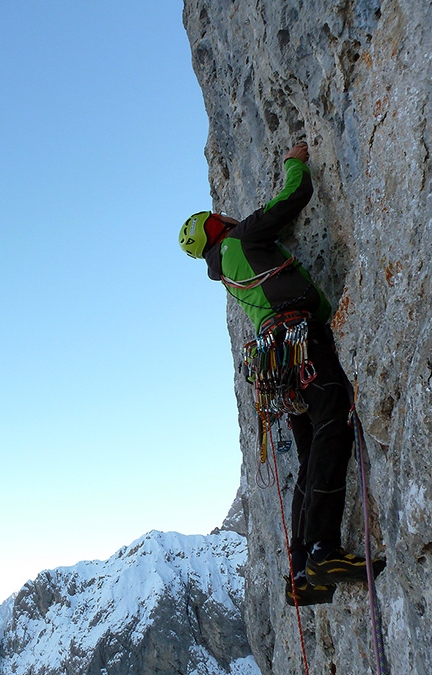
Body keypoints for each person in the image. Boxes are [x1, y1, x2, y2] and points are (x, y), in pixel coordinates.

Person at [179, 141, 384, 606]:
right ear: (216, 227)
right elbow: (294, 196)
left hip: (279, 366)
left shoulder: (225, 268)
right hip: (302, 340)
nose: (225, 217)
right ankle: (323, 549)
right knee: (334, 421)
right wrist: (294, 160)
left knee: (312, 447)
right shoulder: (242, 239)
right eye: (218, 218)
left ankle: (300, 573)